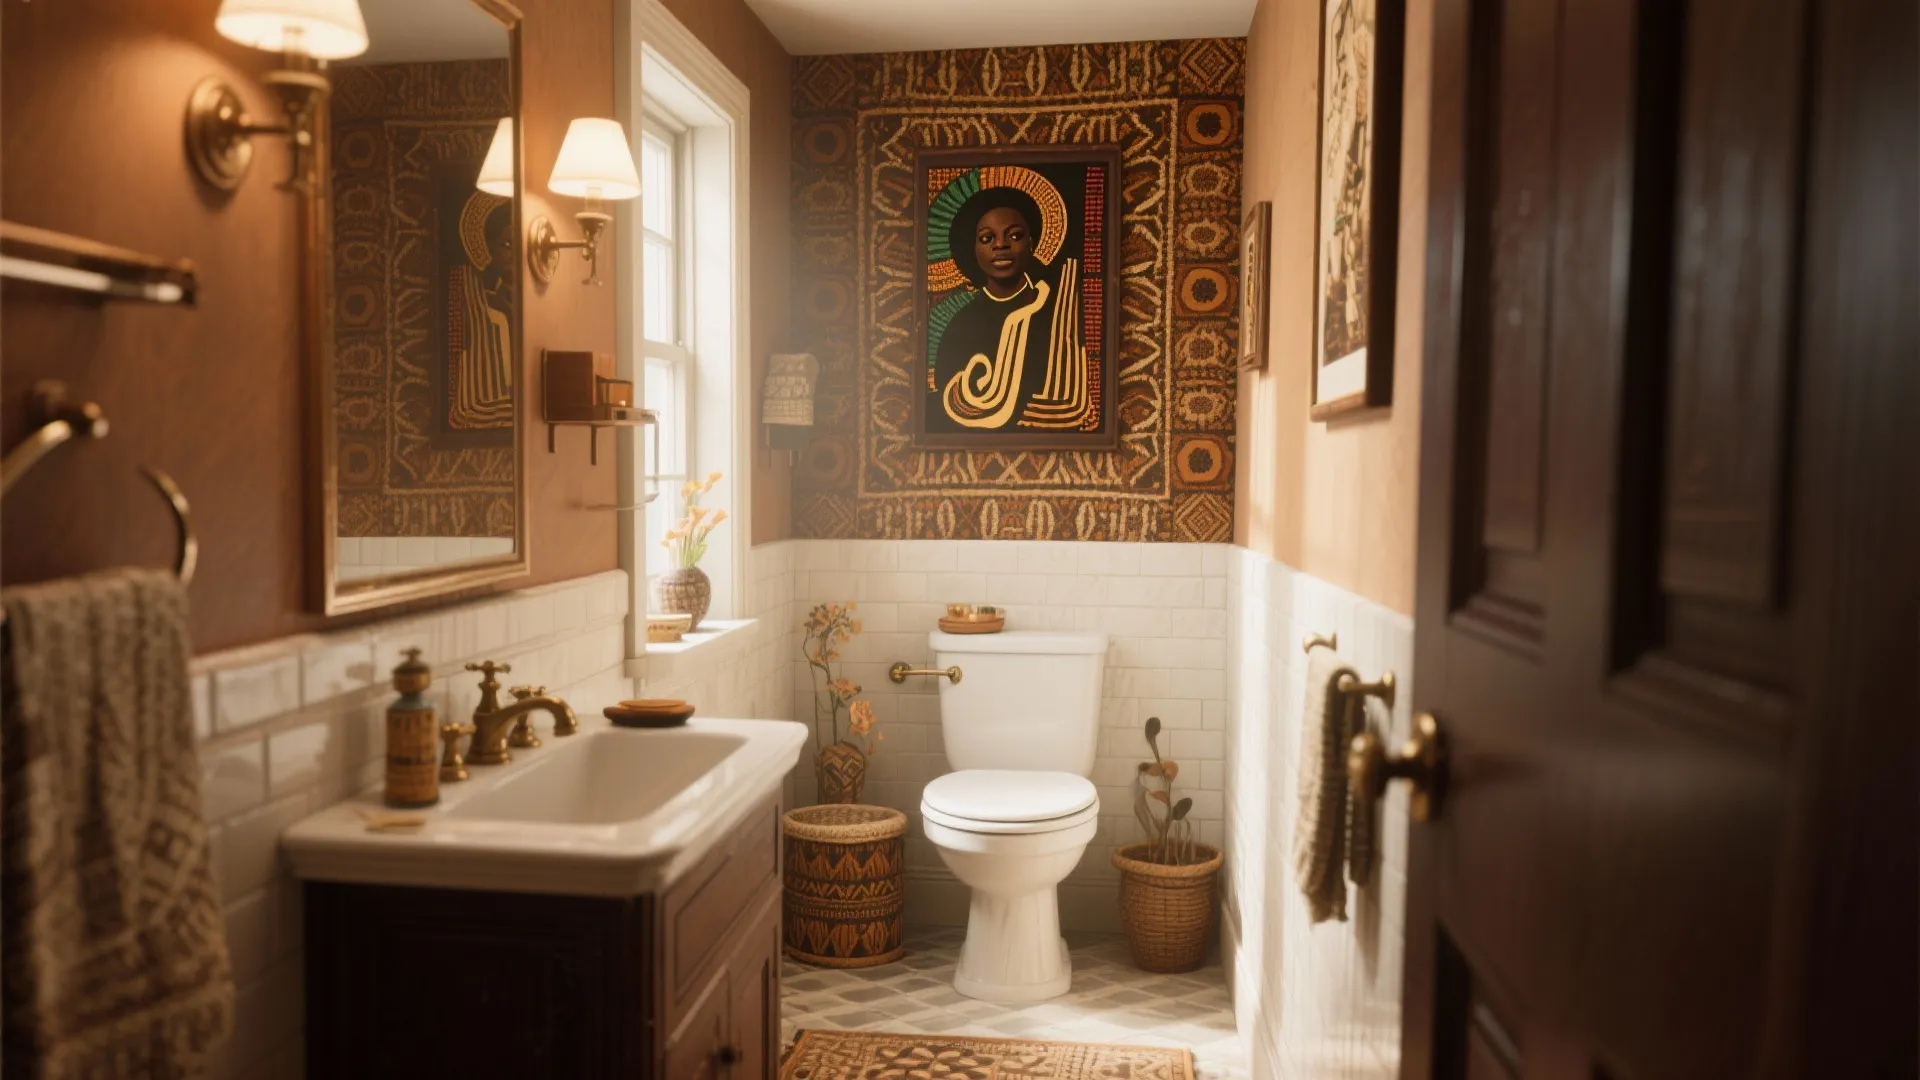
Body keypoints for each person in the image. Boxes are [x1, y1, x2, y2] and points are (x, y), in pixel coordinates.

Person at [930, 180, 1090, 431]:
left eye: (1014, 235)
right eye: (987, 238)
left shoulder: (1057, 306)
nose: (1001, 245)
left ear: (1032, 243)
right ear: (973, 249)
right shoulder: (962, 323)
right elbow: (943, 407)